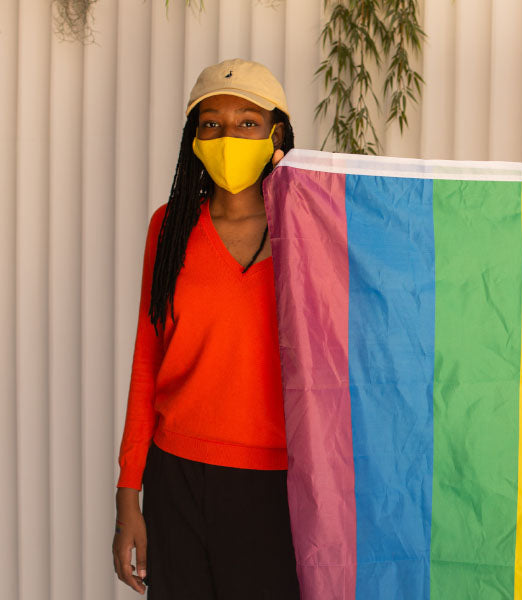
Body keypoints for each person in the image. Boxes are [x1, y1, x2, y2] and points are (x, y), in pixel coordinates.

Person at [111, 58, 300, 599]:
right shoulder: (169, 228)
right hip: (177, 479)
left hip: (279, 482)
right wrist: (129, 496)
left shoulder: (308, 227)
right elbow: (148, 361)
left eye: (247, 122)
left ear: (276, 134)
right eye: (211, 122)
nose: (227, 135)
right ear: (194, 136)